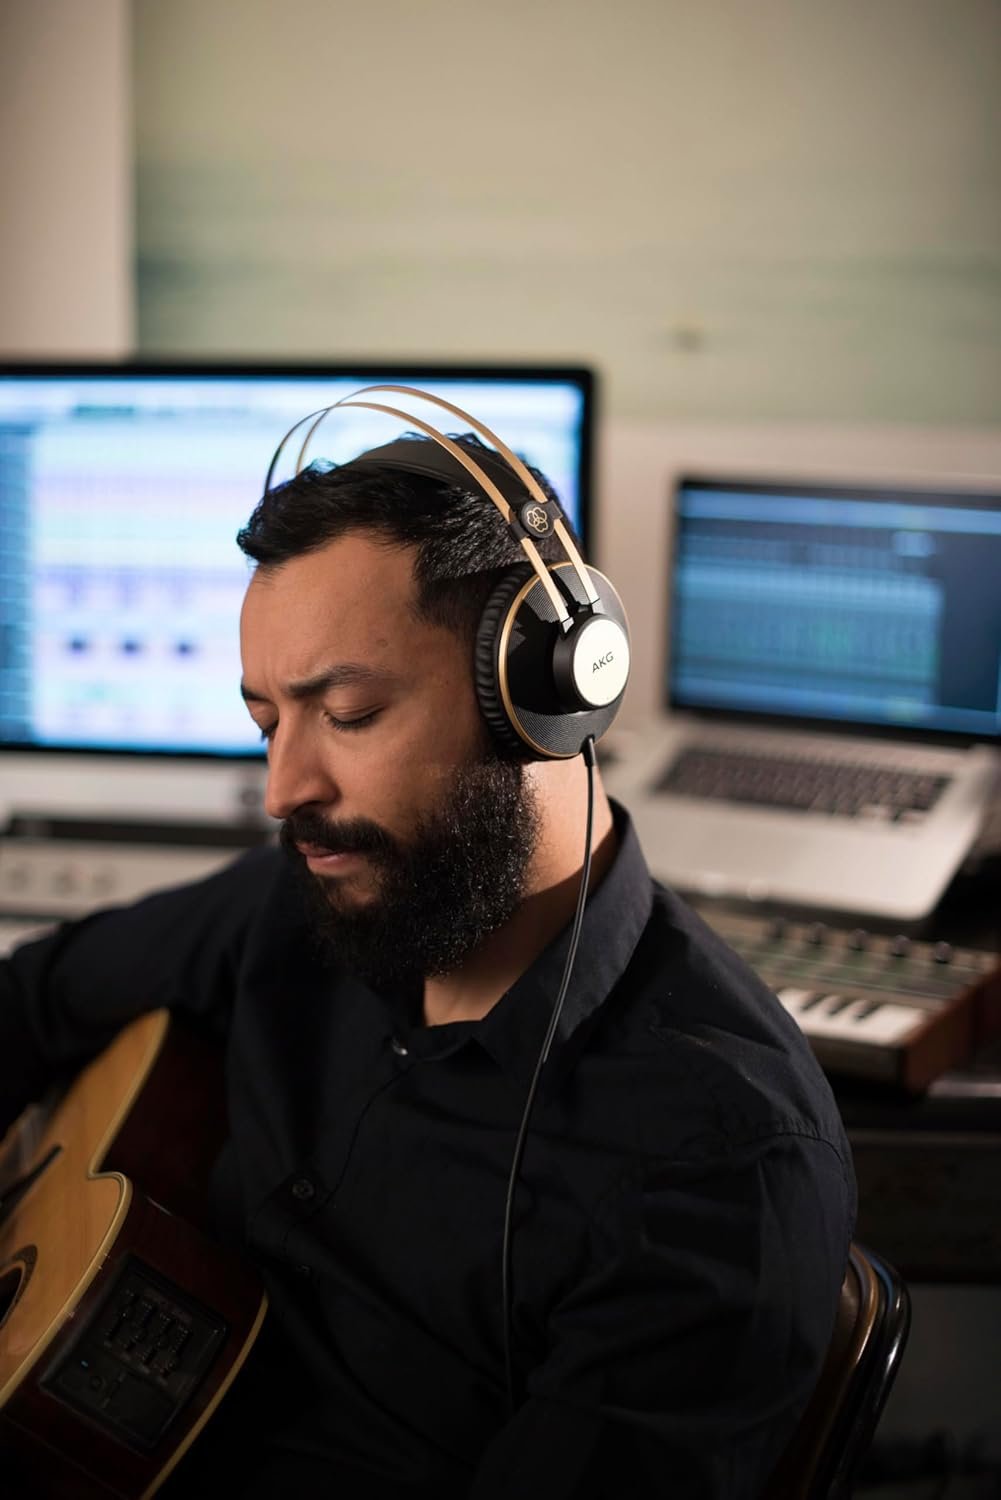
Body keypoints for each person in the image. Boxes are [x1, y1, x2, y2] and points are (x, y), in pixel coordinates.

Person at [0, 429, 855, 1499]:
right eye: (266, 722)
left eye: (347, 715)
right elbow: (30, 1000)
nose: (283, 789)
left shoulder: (718, 1166)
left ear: (539, 692)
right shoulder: (305, 890)